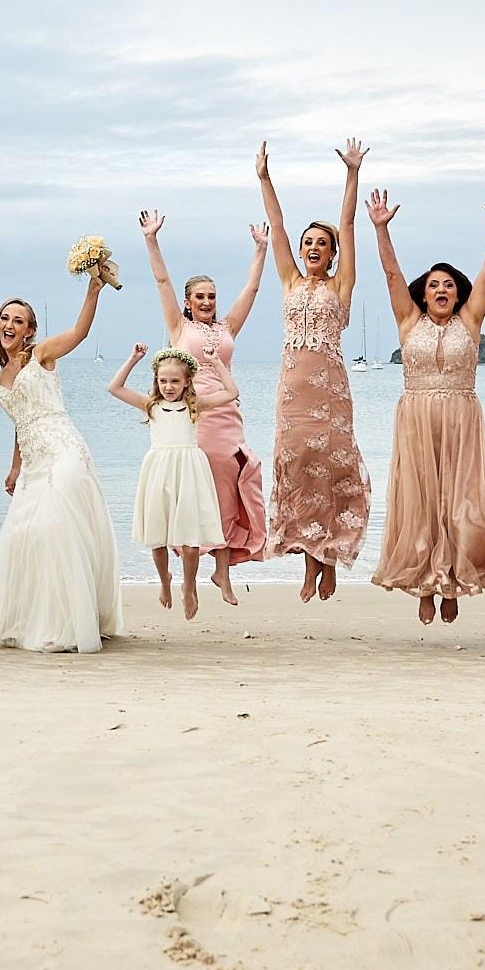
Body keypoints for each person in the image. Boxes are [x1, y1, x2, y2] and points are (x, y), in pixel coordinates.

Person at [365, 186, 485, 622]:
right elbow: (392, 275)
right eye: (434, 285)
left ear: (458, 293)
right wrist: (381, 230)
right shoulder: (408, 320)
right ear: (424, 294)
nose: (442, 290)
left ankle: (453, 581)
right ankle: (425, 586)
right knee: (420, 504)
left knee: (461, 504)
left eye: (449, 285)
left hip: (461, 417)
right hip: (415, 417)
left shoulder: (469, 321)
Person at [0, 278, 124, 653]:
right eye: (5, 318)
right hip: (33, 460)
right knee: (25, 536)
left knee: (57, 528)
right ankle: (31, 619)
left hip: (65, 451)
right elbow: (22, 422)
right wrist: (14, 467)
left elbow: (80, 333)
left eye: (18, 321)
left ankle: (69, 624)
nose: (10, 325)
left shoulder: (42, 355)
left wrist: (92, 291)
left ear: (30, 330)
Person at [256, 139, 372, 601]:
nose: (311, 248)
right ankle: (309, 560)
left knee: (329, 469)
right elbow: (278, 227)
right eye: (308, 244)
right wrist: (264, 178)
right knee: (298, 469)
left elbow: (347, 221)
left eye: (321, 244)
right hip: (291, 391)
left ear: (333, 253)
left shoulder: (342, 285)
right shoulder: (288, 279)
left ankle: (330, 559)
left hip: (330, 393)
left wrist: (352, 174)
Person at [137, 211, 269, 605]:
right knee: (197, 493)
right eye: (201, 297)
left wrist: (261, 249)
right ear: (188, 303)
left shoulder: (227, 328)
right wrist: (151, 240)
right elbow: (162, 280)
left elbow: (252, 289)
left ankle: (222, 573)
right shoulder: (180, 328)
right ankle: (182, 574)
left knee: (229, 490)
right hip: (195, 418)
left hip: (227, 415)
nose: (208, 301)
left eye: (212, 296)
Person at [109, 343, 233, 619]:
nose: (168, 386)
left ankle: (189, 585)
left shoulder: (195, 405)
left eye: (175, 381)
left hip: (189, 472)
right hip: (159, 472)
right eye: (163, 381)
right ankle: (164, 580)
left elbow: (231, 393)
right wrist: (132, 358)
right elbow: (115, 388)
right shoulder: (151, 405)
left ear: (187, 381)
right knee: (158, 538)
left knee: (190, 542)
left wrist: (215, 362)